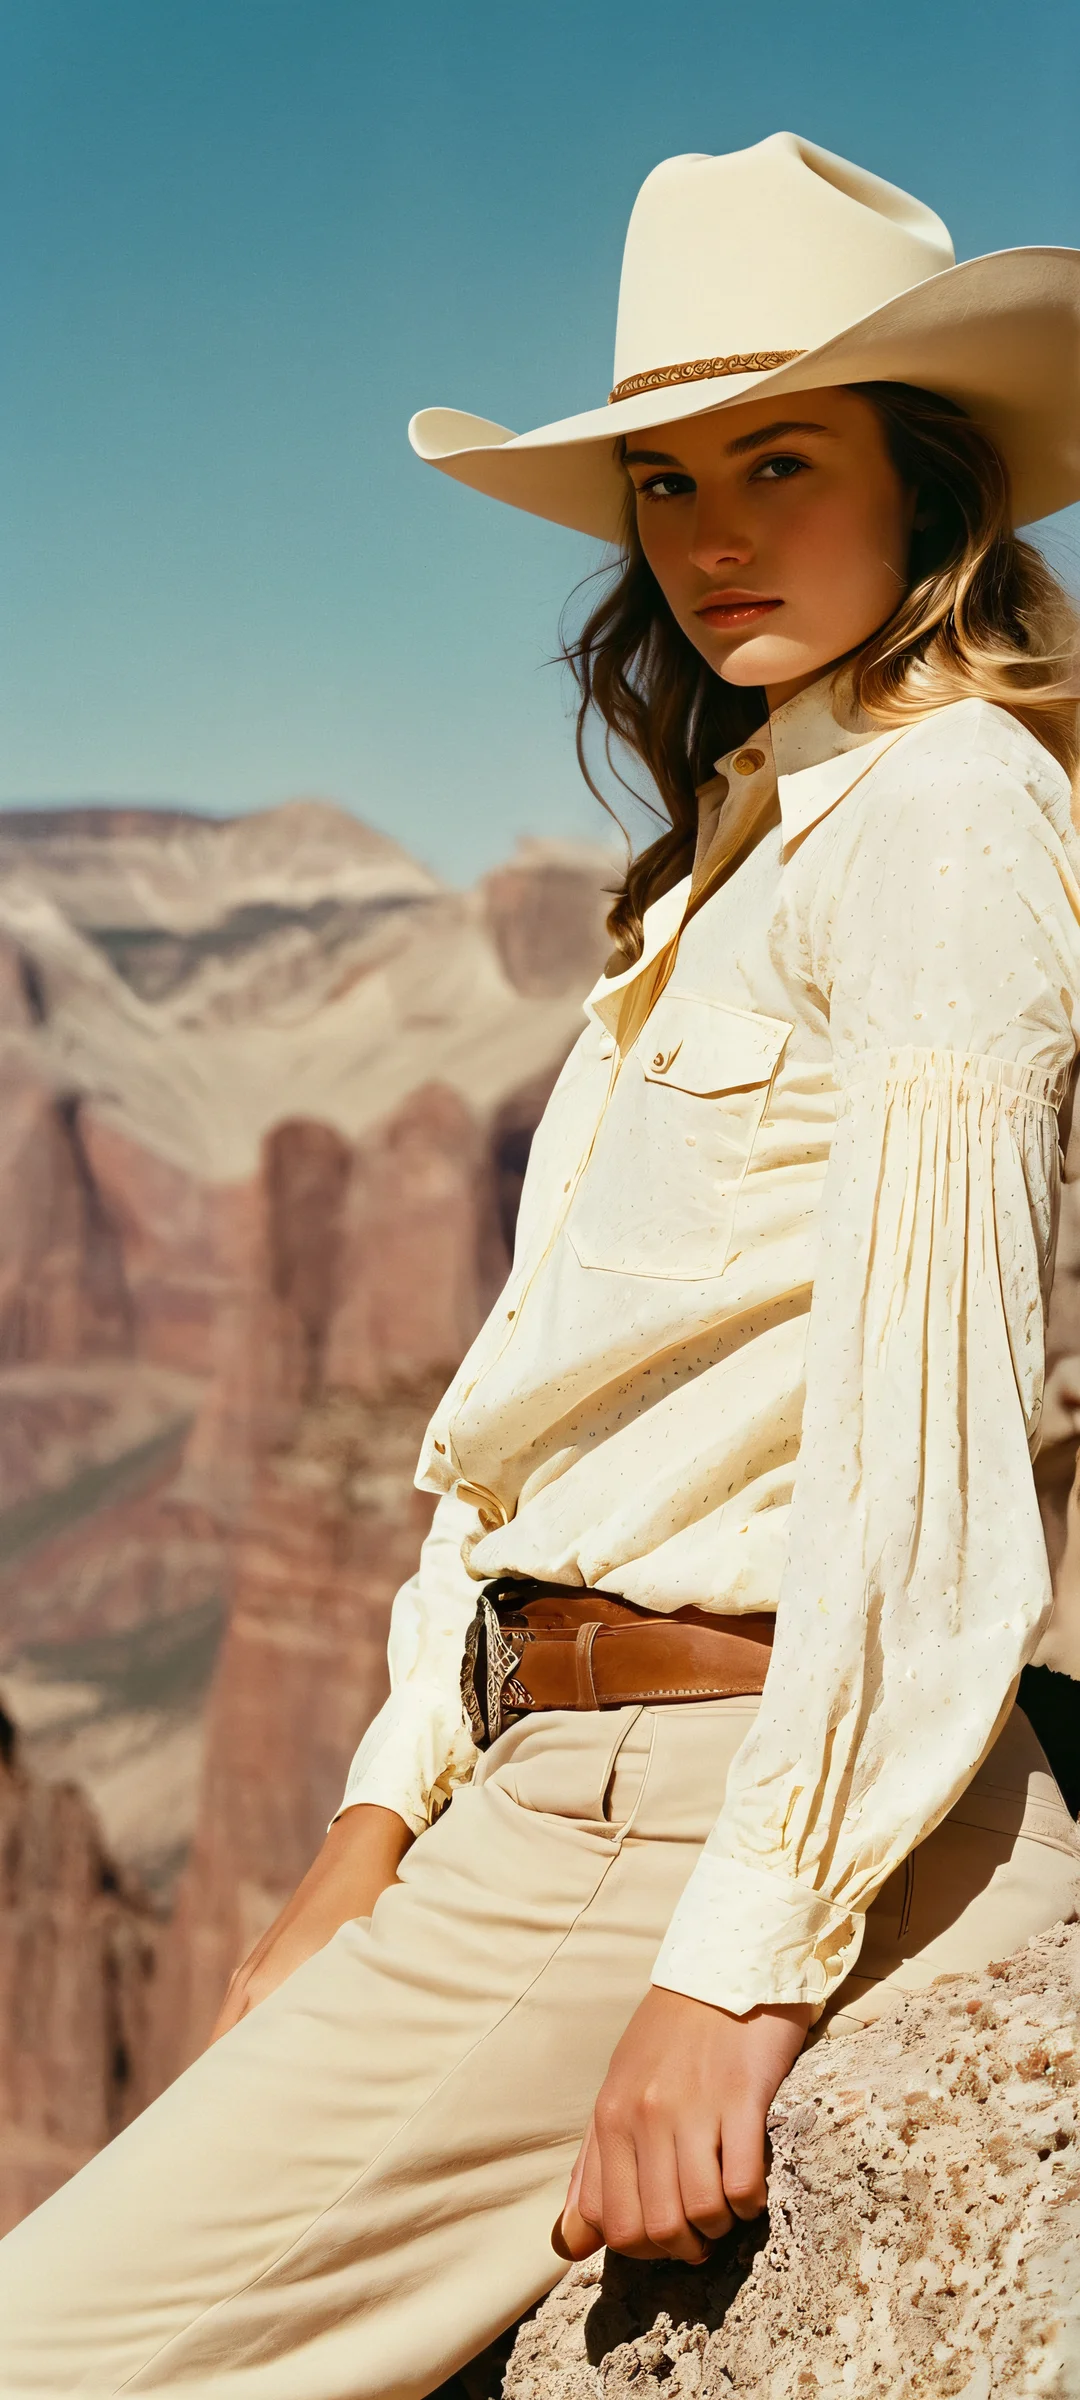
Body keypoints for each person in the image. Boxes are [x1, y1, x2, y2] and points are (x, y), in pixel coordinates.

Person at [3, 128, 1080, 2400]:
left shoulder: (949, 812)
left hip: (680, 1806)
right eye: (664, 484)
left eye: (778, 460)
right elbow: (530, 1423)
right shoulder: (732, 855)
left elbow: (927, 1458)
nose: (709, 537)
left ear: (928, 480)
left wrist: (739, 1965)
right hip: (547, 1789)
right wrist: (371, 1825)